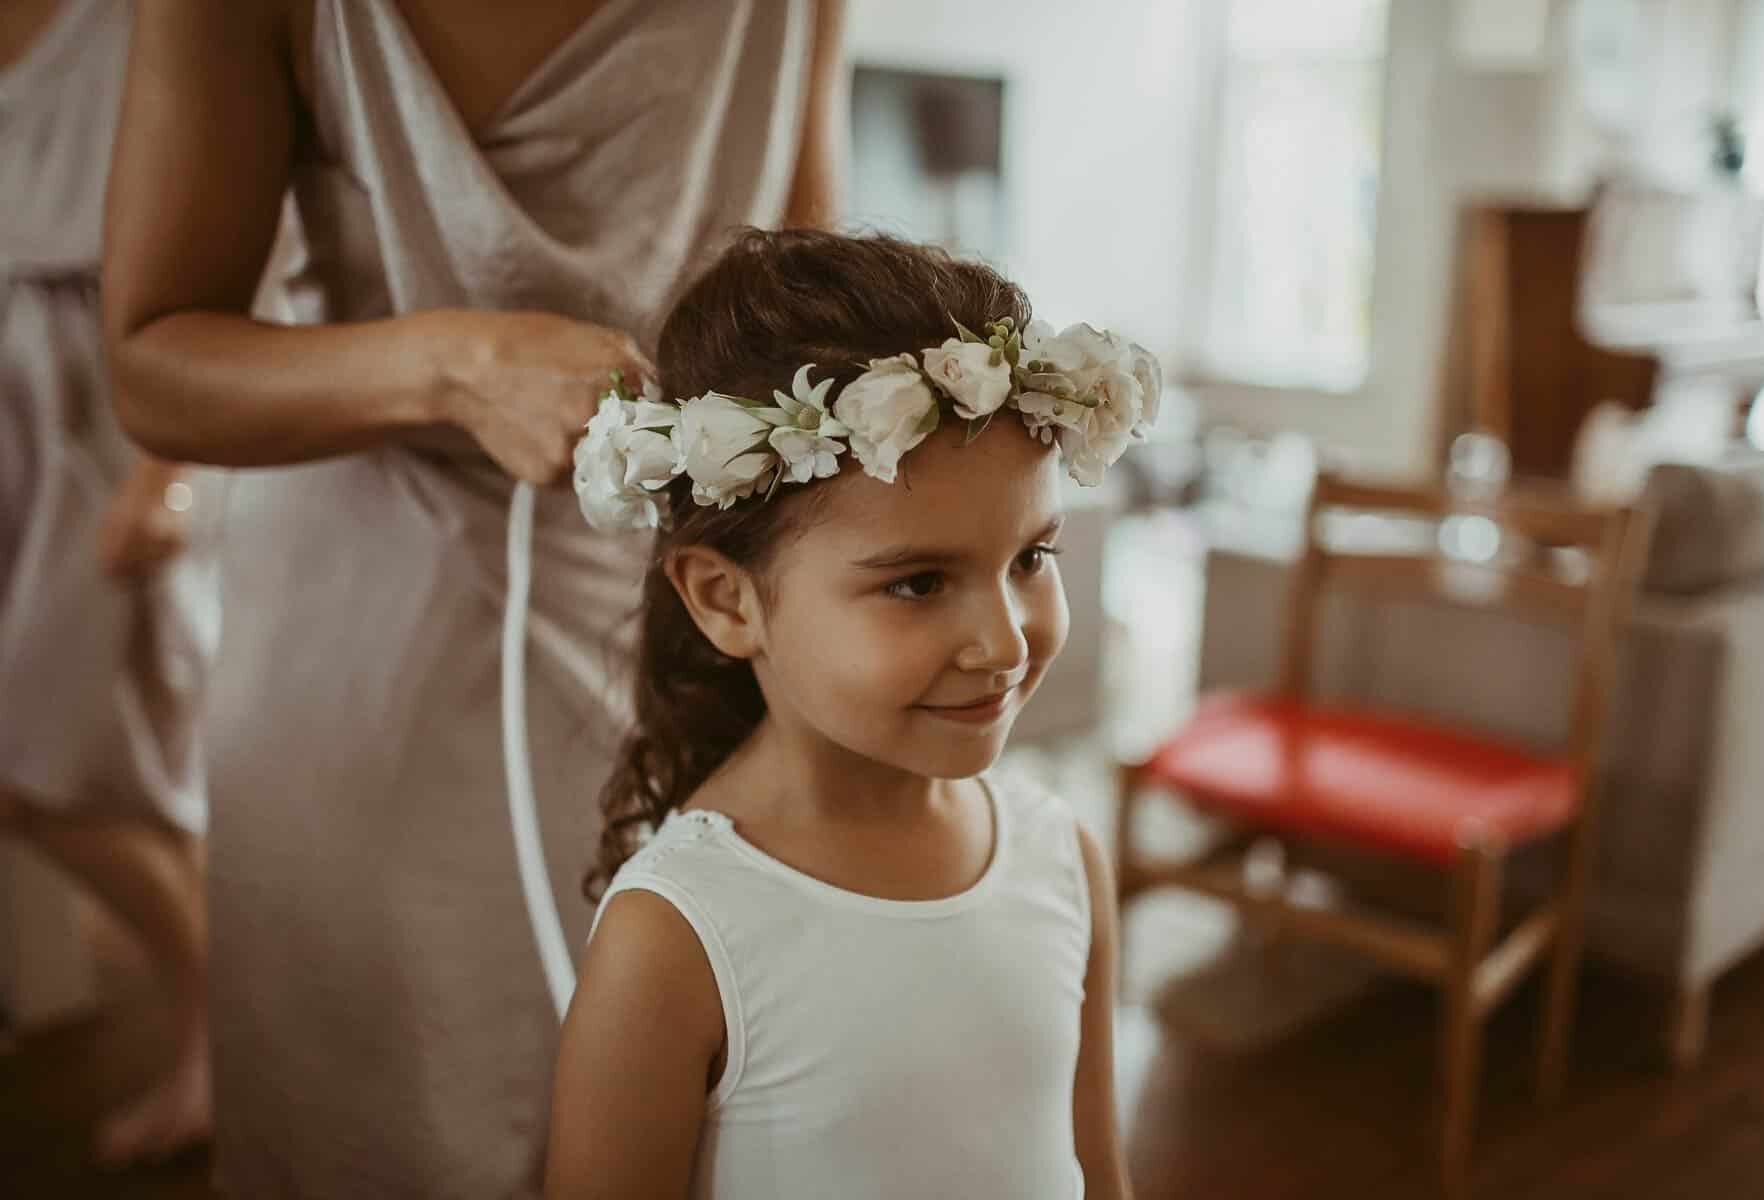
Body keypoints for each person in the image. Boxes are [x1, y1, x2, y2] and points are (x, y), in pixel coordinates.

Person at [101, 1, 844, 1194]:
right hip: (375, 631)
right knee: (394, 1101)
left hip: (686, 614)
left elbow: (809, 323)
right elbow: (150, 365)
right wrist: (456, 364)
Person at [545, 228, 1161, 1199]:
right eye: (919, 583)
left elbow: (1099, 1178)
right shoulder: (674, 942)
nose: (1004, 642)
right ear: (726, 599)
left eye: (1032, 560)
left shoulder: (1065, 860)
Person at [1, 0, 215, 1165]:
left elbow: (234, 249)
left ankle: (217, 1026)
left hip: (100, 408)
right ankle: (219, 1024)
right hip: (9, 413)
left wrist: (165, 471)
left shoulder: (147, 20)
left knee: (57, 762)